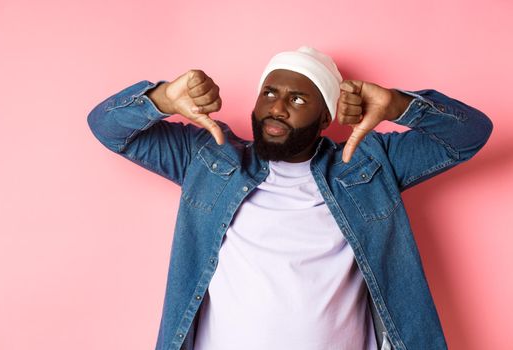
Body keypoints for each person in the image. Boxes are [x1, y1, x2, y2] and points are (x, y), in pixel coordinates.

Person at [87, 47, 493, 350]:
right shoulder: (208, 158)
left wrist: (398, 105)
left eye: (298, 99)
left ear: (325, 118)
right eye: (269, 93)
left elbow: (470, 134)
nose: (276, 108)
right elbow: (106, 127)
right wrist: (161, 100)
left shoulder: (366, 166)